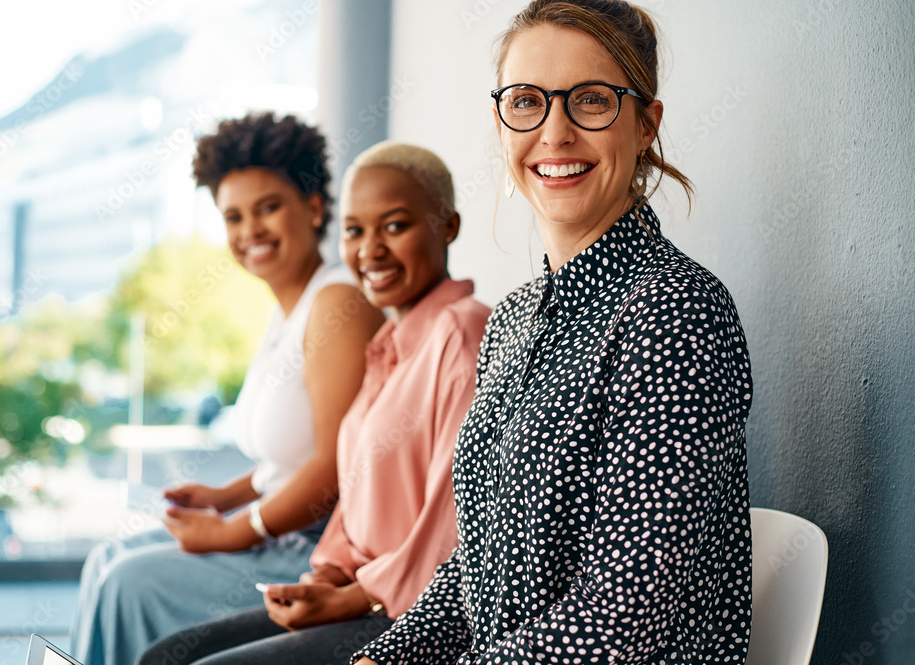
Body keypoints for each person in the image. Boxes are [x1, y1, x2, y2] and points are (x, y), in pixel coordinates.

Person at [356, 1, 754, 664]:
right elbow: (475, 567)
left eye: (592, 101)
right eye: (527, 102)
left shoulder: (677, 314)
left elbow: (621, 620)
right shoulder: (511, 319)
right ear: (501, 124)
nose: (556, 131)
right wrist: (383, 657)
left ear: (646, 124)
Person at [137, 141, 491, 665]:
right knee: (163, 657)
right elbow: (354, 487)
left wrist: (353, 593)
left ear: (448, 227)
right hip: (354, 590)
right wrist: (326, 573)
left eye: (394, 226)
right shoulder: (389, 345)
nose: (370, 250)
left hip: (410, 614)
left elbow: (454, 525)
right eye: (355, 231)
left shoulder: (461, 335)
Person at [70, 113, 384, 665]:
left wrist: (230, 533)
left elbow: (334, 469)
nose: (249, 231)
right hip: (280, 531)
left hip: (318, 553)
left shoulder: (338, 304)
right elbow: (292, 456)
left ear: (313, 208)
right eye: (233, 216)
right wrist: (225, 499)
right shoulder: (288, 310)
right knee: (108, 558)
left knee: (127, 581)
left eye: (268, 208)